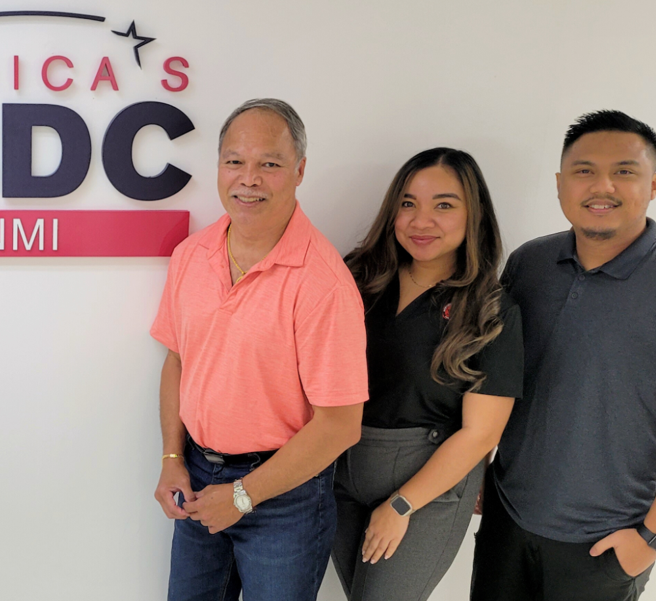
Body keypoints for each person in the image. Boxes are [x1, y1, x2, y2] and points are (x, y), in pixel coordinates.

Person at [471, 110, 656, 601]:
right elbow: (500, 378)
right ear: (560, 184)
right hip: (507, 518)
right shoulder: (529, 264)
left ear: (655, 183)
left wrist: (650, 541)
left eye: (624, 171)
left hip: (605, 545)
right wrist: (479, 468)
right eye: (584, 171)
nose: (602, 186)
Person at [150, 98, 367, 601]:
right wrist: (171, 456)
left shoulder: (323, 283)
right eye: (235, 161)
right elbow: (177, 359)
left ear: (299, 171)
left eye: (269, 164)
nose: (249, 179)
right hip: (199, 478)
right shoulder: (191, 256)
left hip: (286, 497)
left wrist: (245, 495)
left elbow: (340, 424)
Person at [332, 148, 522, 600]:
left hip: (427, 488)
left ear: (473, 213)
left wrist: (401, 505)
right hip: (340, 473)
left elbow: (481, 434)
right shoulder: (357, 280)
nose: (421, 221)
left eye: (444, 204)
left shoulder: (491, 310)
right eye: (408, 203)